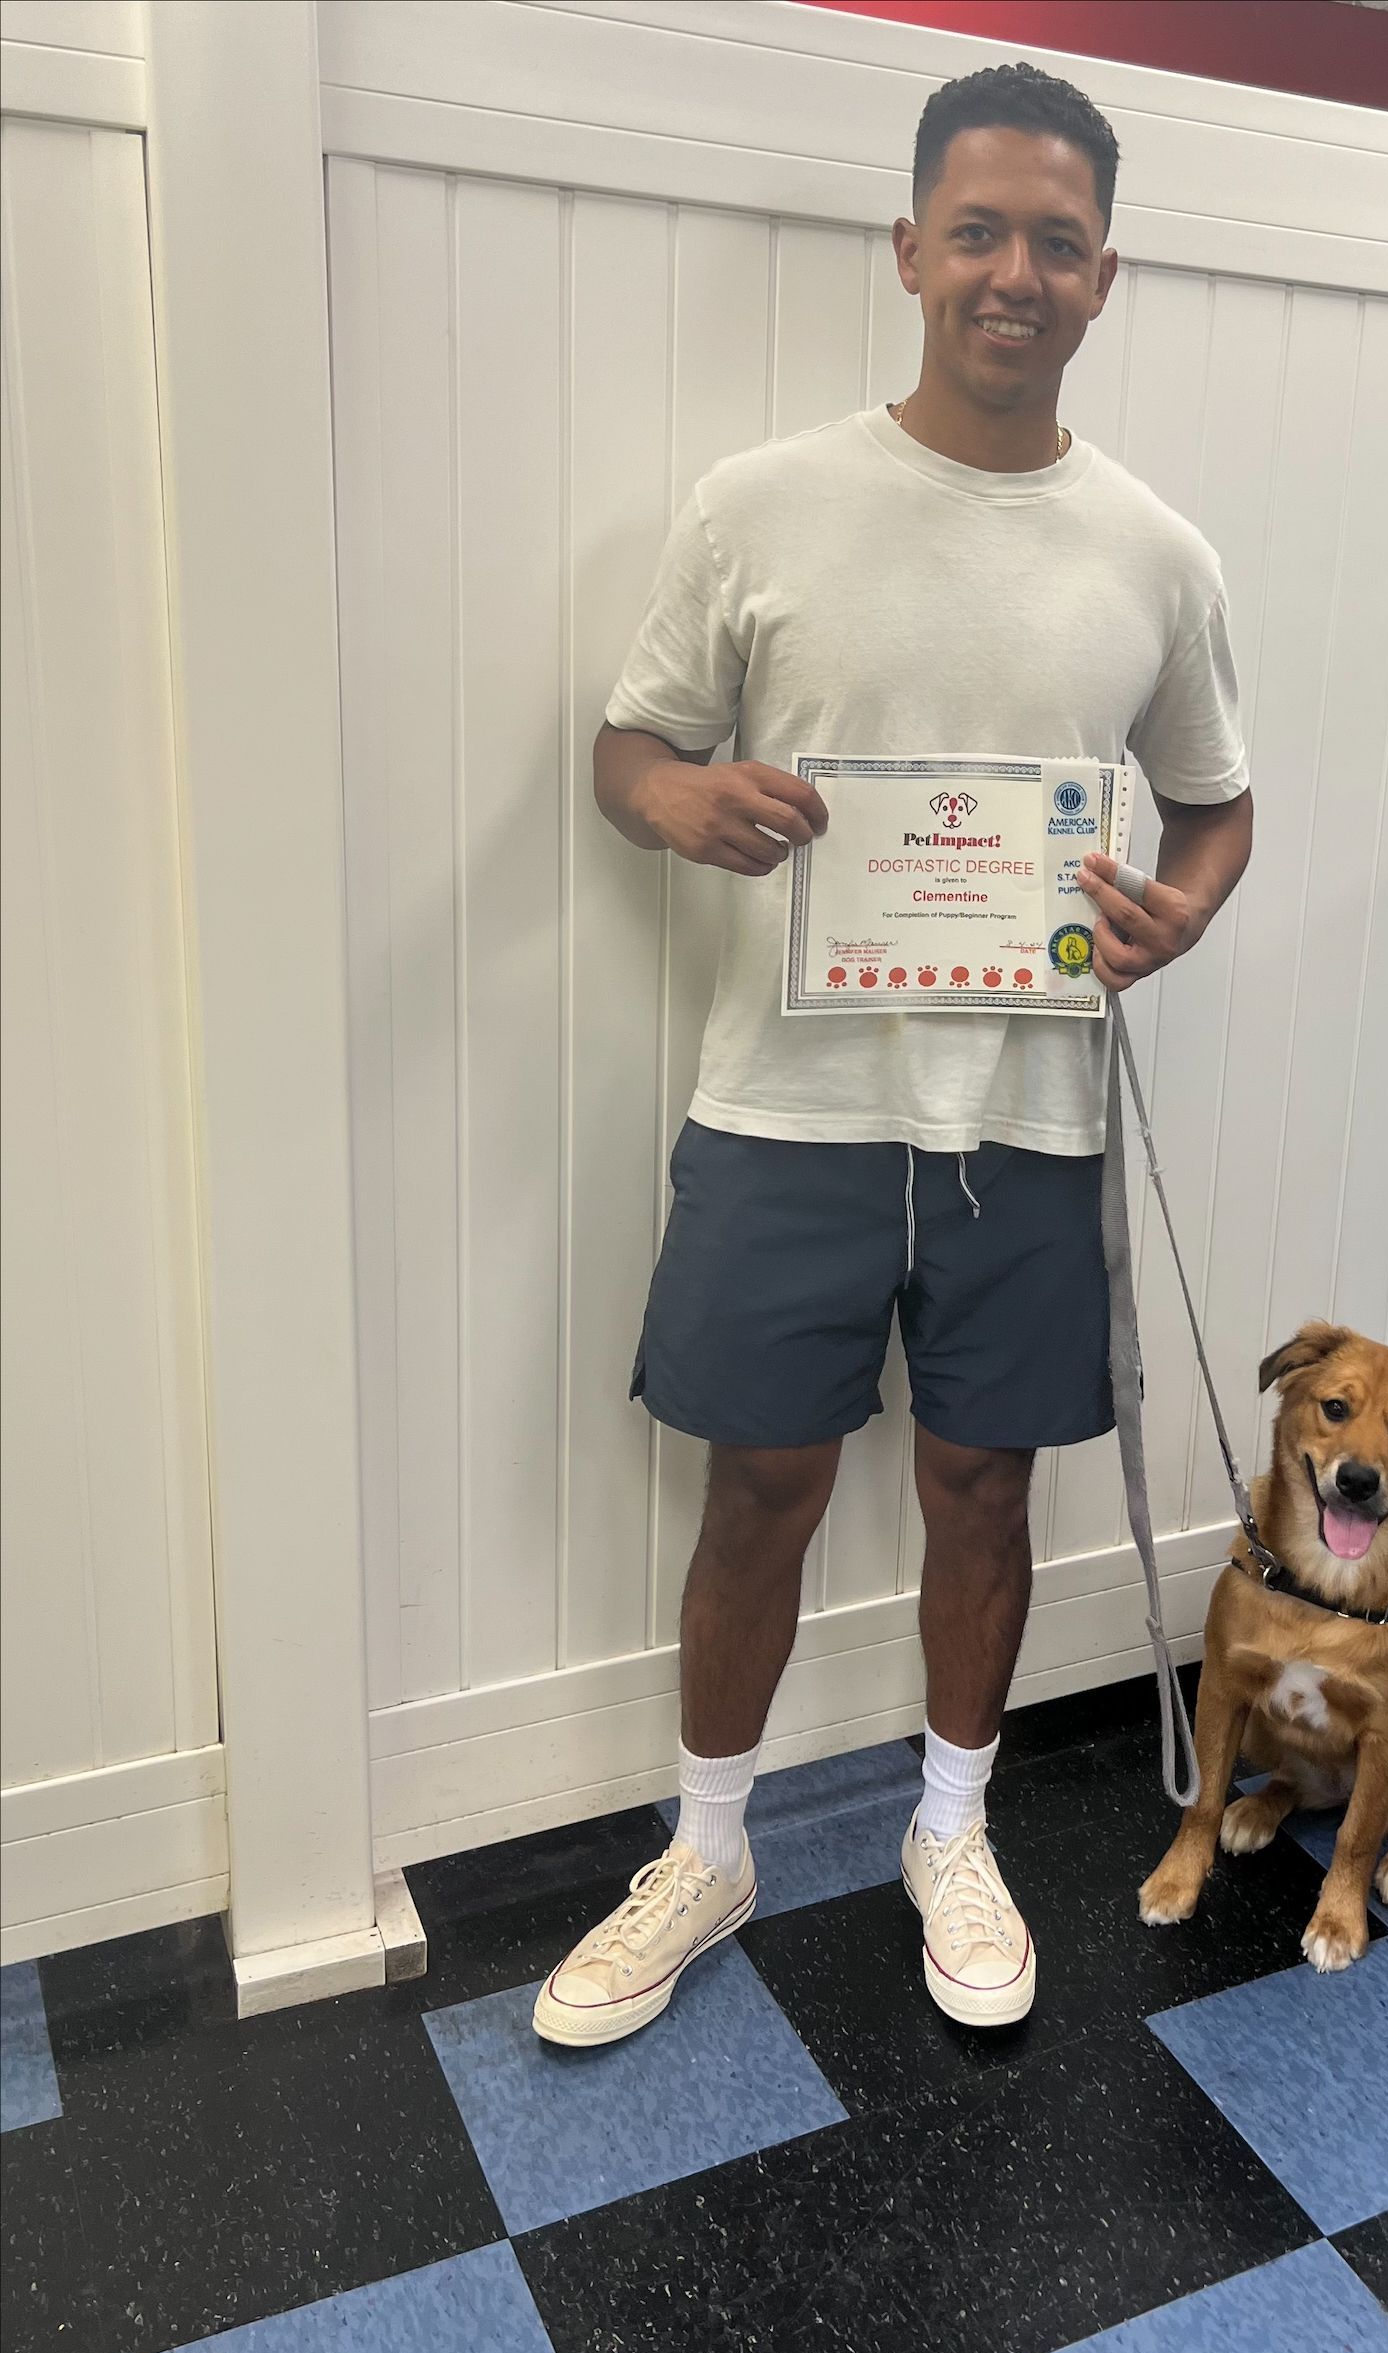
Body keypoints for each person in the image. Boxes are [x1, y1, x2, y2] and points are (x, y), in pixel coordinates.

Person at [534, 59, 1253, 2049]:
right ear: (910, 247)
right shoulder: (758, 503)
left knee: (978, 1492)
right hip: (786, 1099)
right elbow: (628, 746)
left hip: (1024, 1111)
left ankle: (953, 1825)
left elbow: (1212, 806)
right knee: (754, 1487)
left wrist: (1177, 914)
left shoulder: (1156, 552)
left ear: (1107, 274)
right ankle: (707, 1843)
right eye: (977, 230)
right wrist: (678, 809)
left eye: (1055, 241)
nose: (1011, 270)